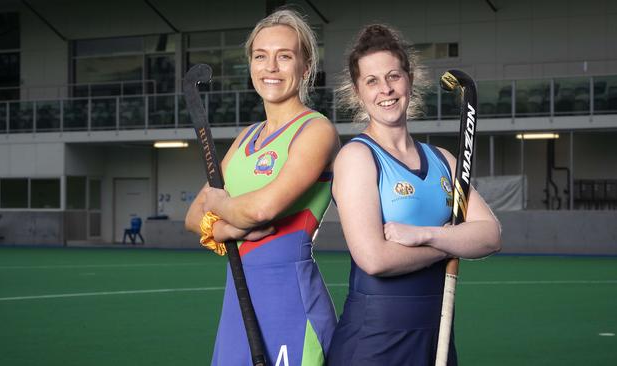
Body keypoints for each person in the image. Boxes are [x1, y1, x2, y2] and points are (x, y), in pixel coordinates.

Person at [326, 24, 501, 366]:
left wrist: (424, 234)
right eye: (372, 81)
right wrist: (452, 242)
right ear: (358, 91)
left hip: (436, 334)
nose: (386, 89)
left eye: (393, 76)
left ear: (409, 79)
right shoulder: (357, 157)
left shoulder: (443, 160)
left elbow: (491, 236)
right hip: (374, 341)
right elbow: (375, 259)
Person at [184, 9, 340, 366]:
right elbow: (193, 215)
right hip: (238, 306)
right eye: (260, 56)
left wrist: (219, 204)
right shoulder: (246, 138)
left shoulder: (316, 131)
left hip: (291, 308)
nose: (270, 67)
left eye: (284, 56)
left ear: (306, 66)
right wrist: (226, 228)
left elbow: (262, 210)